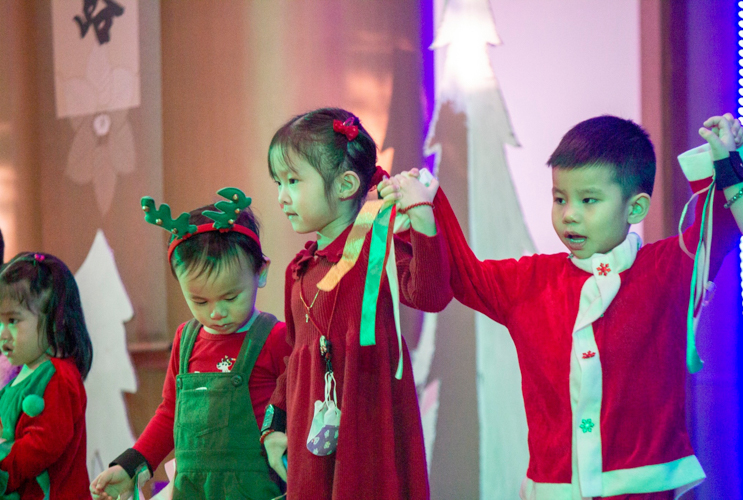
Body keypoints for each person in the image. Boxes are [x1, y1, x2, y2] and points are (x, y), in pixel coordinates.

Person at [380, 114, 743, 499]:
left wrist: (726, 161)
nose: (569, 213)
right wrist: (425, 210)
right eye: (559, 198)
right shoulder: (529, 282)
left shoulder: (668, 268)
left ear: (635, 209)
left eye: (588, 200)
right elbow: (462, 274)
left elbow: (718, 225)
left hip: (646, 489)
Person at [262, 107, 452, 499]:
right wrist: (274, 424)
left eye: (293, 180)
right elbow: (293, 354)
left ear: (347, 184)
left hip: (369, 436)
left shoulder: (379, 248)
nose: (282, 196)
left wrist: (420, 213)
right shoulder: (300, 270)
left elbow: (431, 295)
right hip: (310, 442)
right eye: (278, 182)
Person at [90, 188, 292, 499]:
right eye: (199, 300)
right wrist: (131, 464)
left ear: (260, 272)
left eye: (230, 297)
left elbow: (300, 407)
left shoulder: (275, 338)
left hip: (255, 490)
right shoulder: (186, 339)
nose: (216, 312)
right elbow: (170, 414)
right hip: (191, 491)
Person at [0, 252, 94, 499]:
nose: (3, 333)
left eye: (12, 320)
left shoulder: (58, 377)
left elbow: (41, 446)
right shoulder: (24, 373)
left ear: (53, 320)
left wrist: (3, 471)